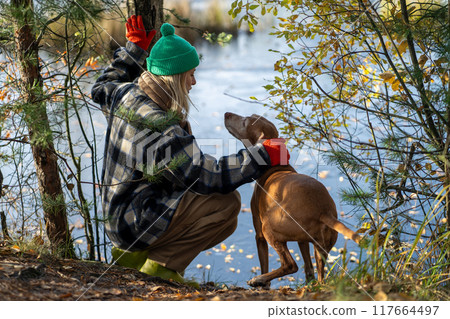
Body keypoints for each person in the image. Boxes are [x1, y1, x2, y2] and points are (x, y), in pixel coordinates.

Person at [91, 15, 290, 286]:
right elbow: (207, 175)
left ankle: (132, 259)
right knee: (226, 205)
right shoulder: (161, 125)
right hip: (133, 223)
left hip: (117, 216)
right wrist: (263, 155)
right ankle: (161, 268)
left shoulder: (125, 93)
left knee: (192, 191)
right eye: (190, 75)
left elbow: (101, 86)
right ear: (175, 77)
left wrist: (133, 49)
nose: (193, 83)